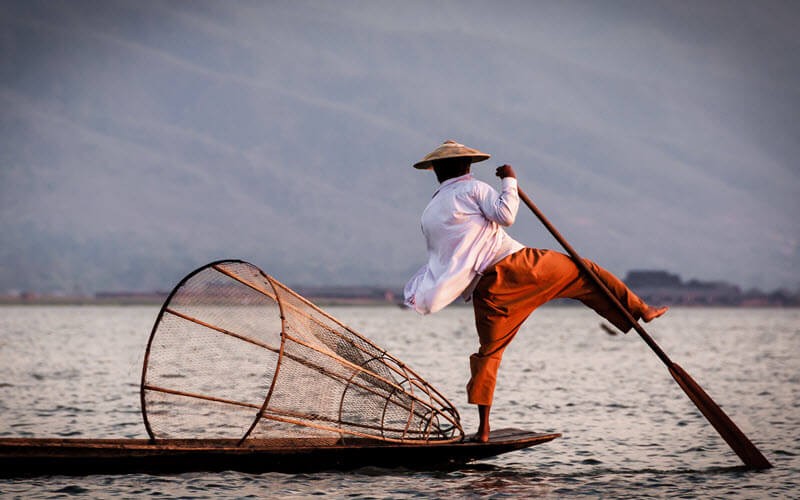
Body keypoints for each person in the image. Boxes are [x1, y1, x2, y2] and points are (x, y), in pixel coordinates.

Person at [404, 140, 668, 443]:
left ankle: (484, 429)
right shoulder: (473, 188)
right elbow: (506, 215)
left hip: (489, 289)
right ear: (466, 167)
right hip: (521, 267)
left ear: (437, 171)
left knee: (488, 354)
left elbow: (444, 257)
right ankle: (639, 310)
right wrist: (510, 180)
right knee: (586, 273)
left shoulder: (431, 210)